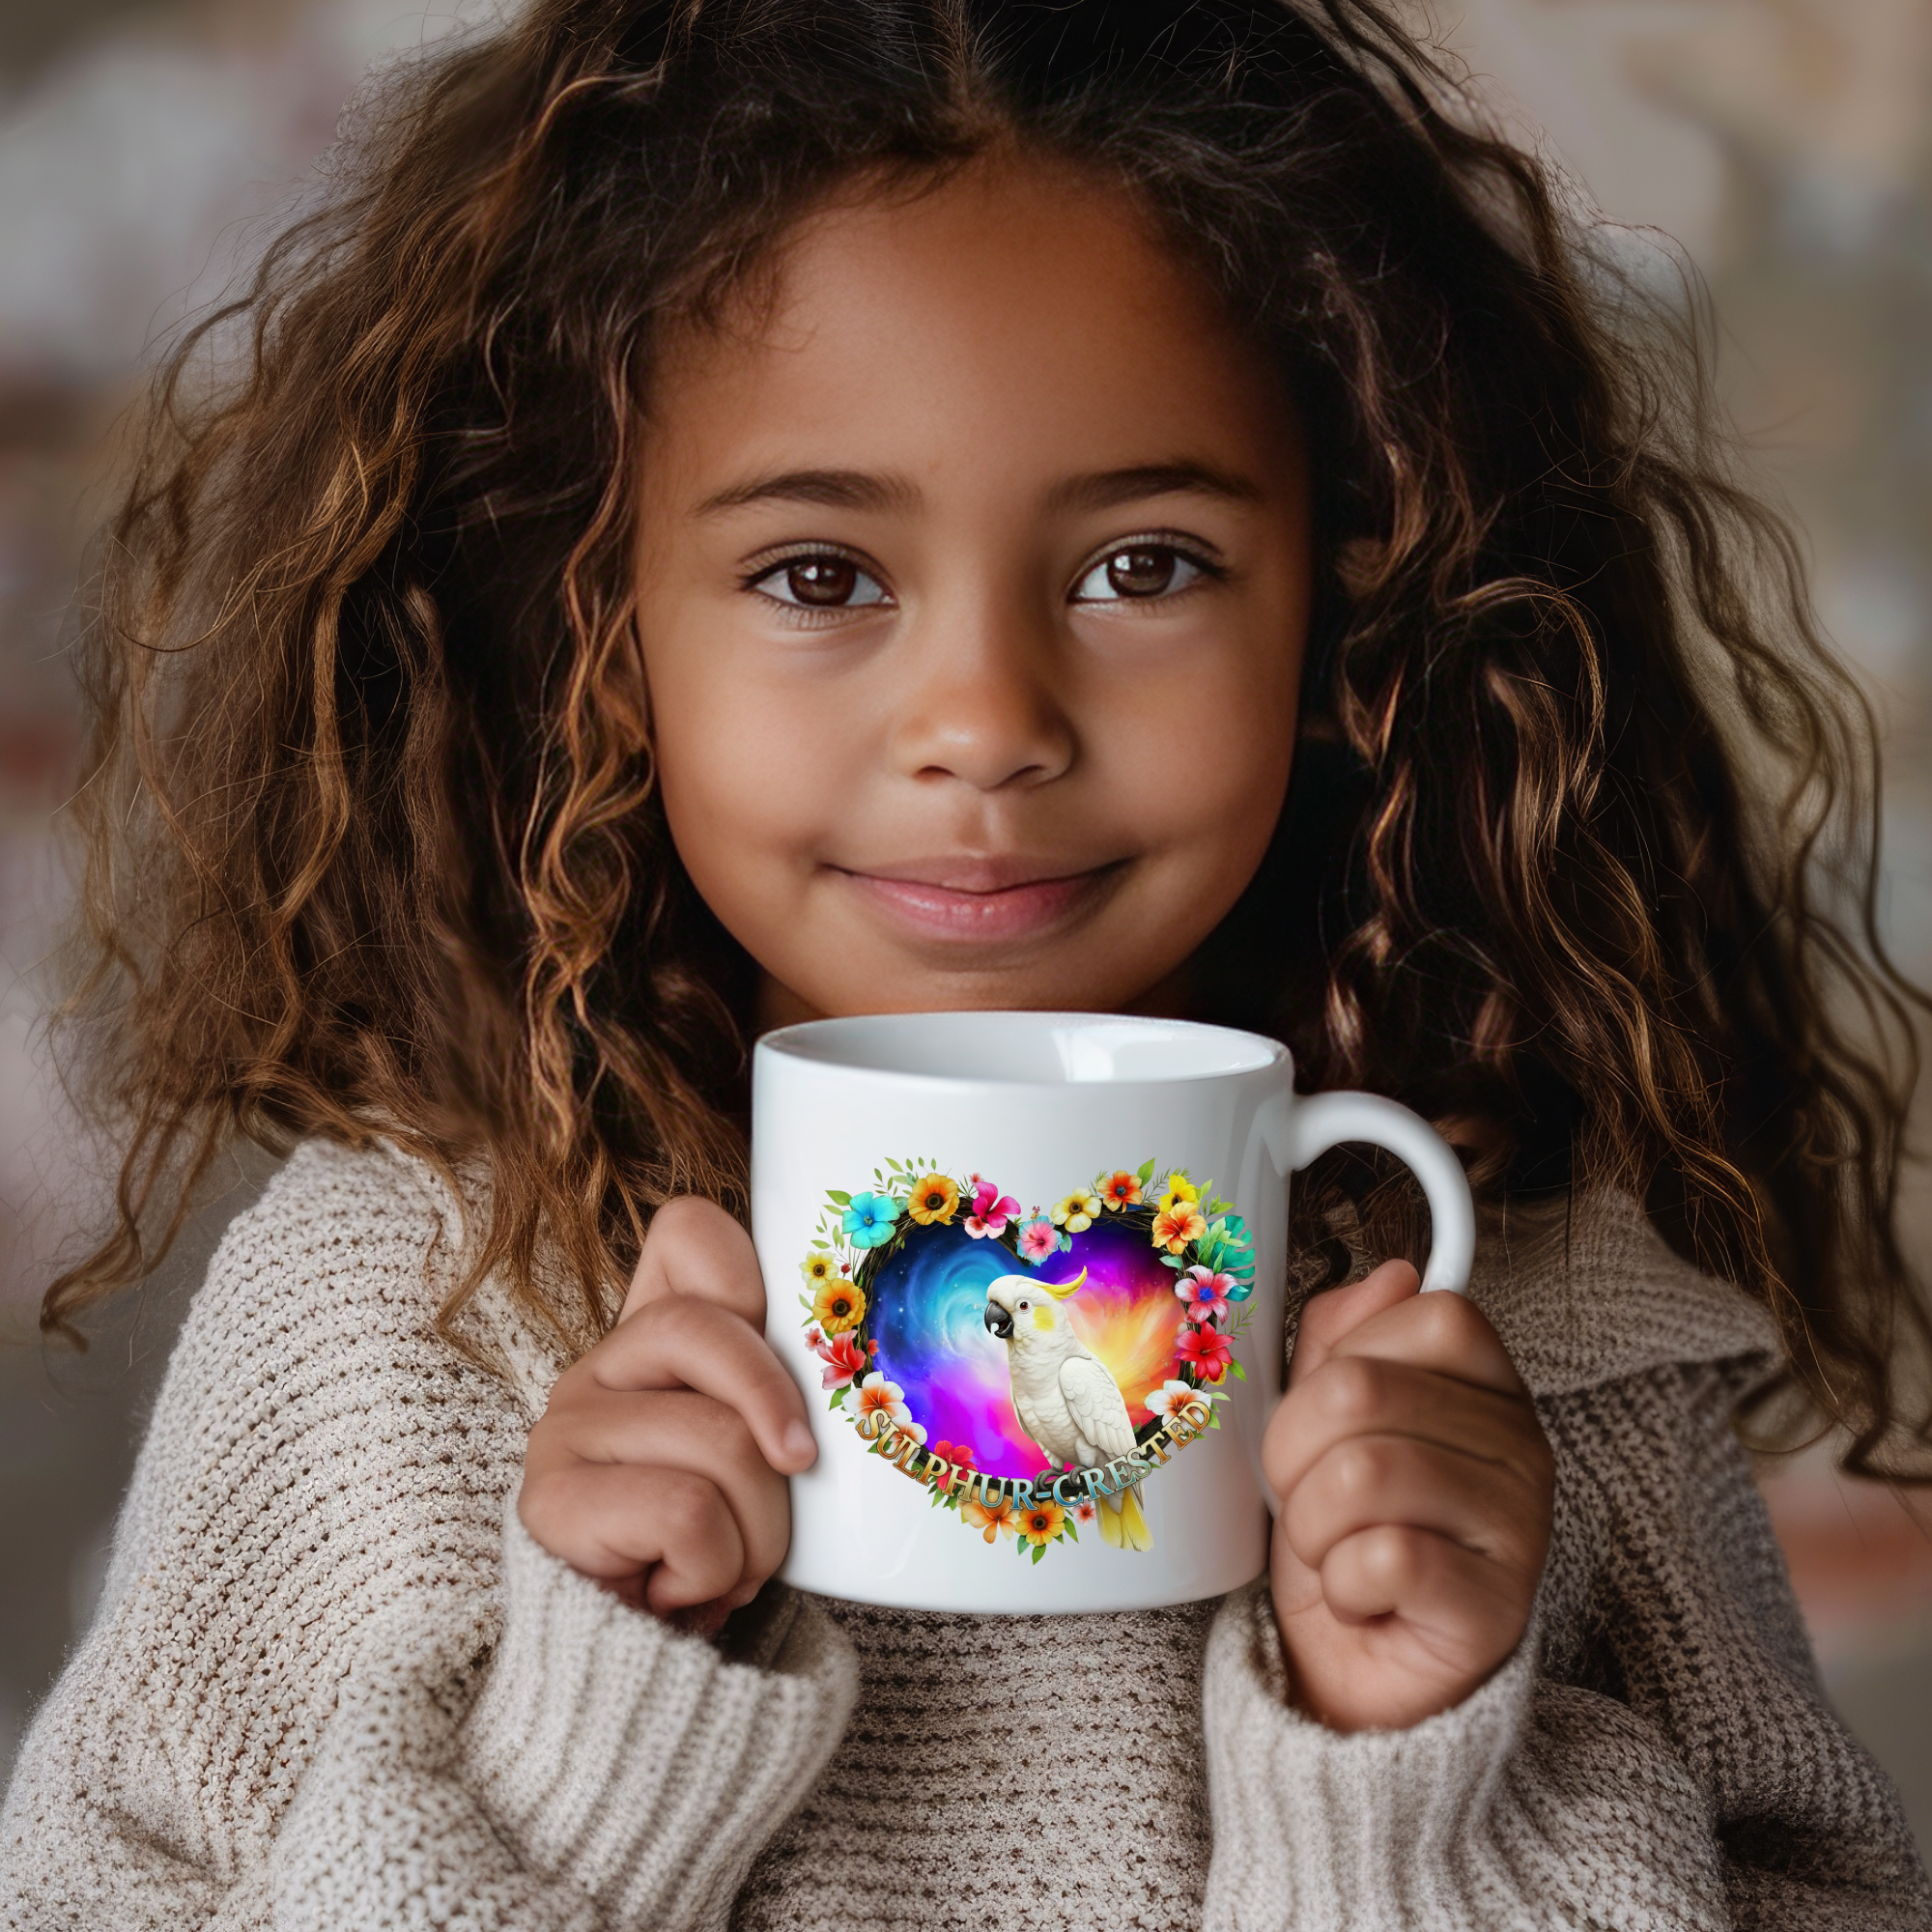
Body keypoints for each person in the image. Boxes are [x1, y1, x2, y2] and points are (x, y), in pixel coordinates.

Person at [3, 0, 1928, 1923]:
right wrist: (583, 1761)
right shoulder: (401, 1322)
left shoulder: (1538, 1348)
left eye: (1143, 565)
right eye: (819, 577)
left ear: (1354, 615)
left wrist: (1413, 1781)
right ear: (590, 621)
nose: (988, 718)